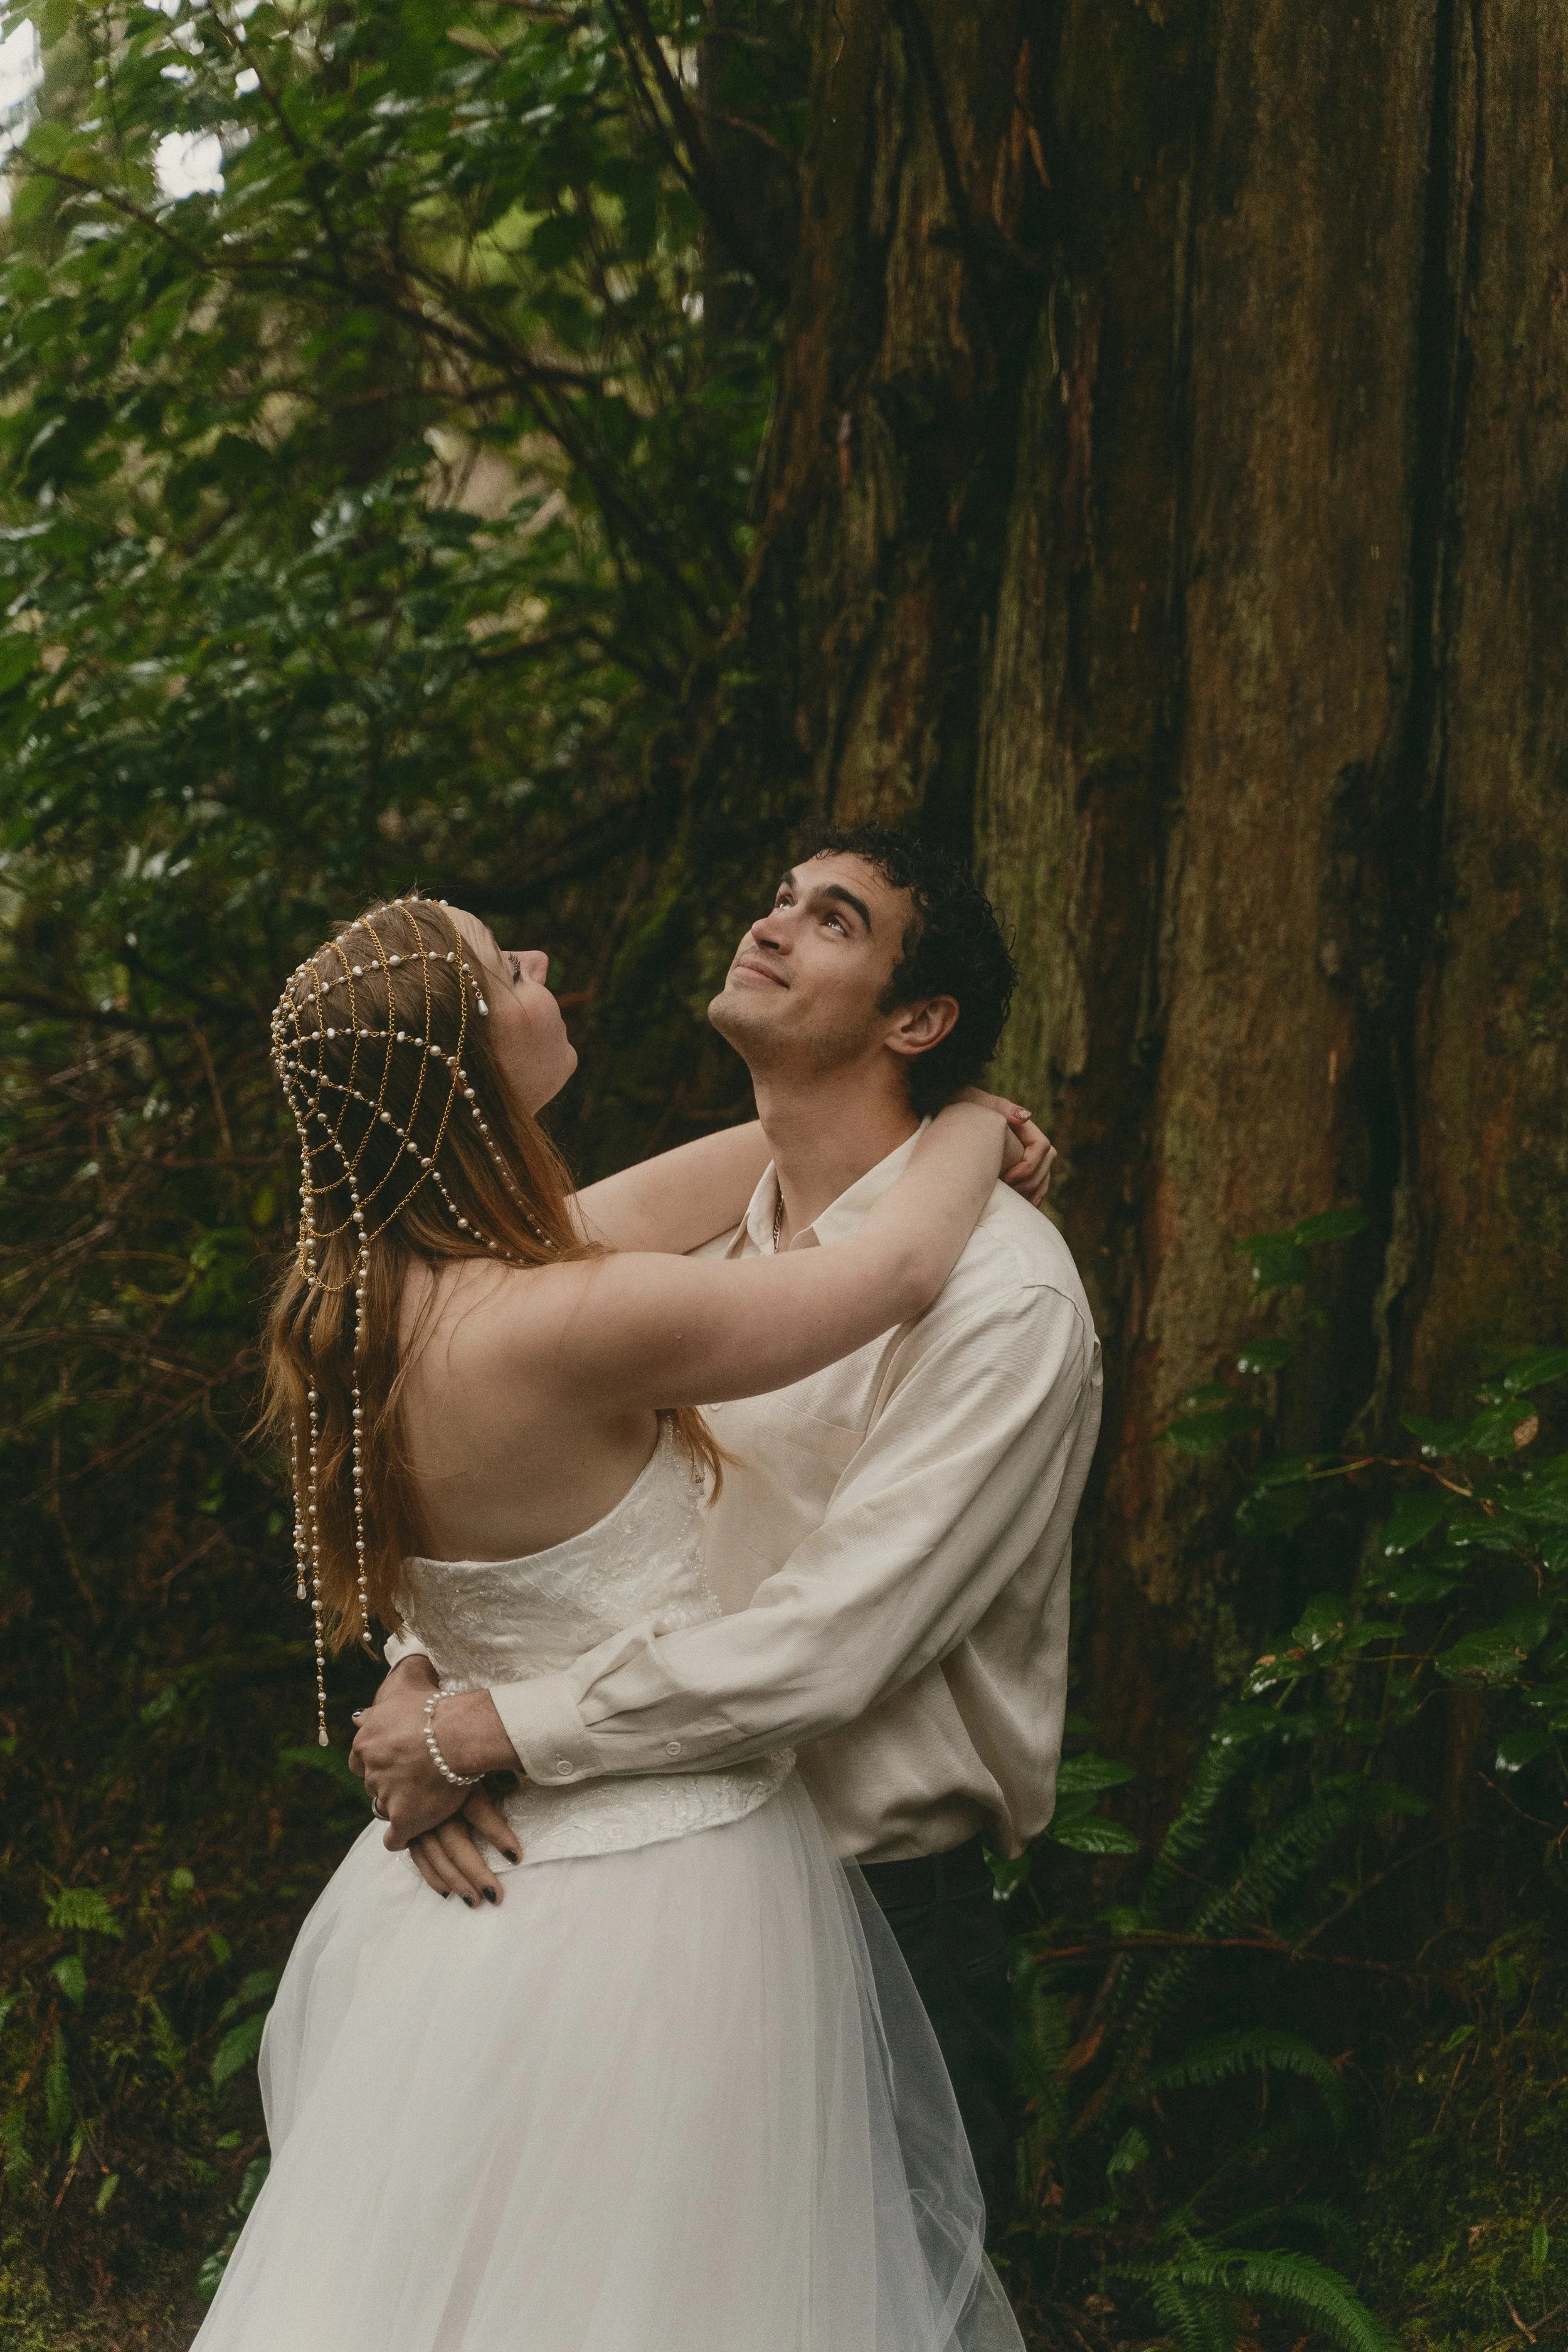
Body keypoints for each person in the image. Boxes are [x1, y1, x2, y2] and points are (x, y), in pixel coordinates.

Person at [192, 885, 1042, 2352]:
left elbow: (729, 1179)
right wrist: (966, 1126)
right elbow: (893, 1272)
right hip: (669, 1891)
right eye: (510, 968)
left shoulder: (389, 1302)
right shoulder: (573, 1317)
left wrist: (422, 1690)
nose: (544, 967)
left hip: (473, 1902)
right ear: (467, 1060)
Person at [361, 827, 1102, 2217]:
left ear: (917, 1018)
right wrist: (426, 1671)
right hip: (609, 1891)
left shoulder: (999, 1299)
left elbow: (828, 1645)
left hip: (868, 1910)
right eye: (776, 897)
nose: (770, 925)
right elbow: (489, 1464)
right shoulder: (676, 1254)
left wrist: (489, 1730)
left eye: (831, 920)